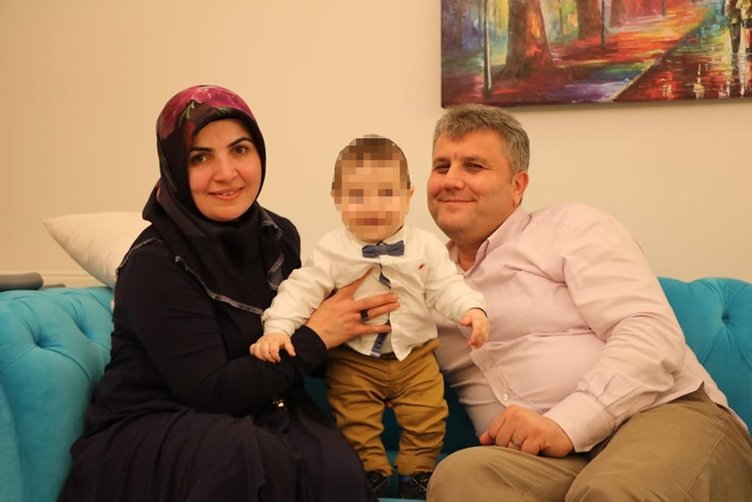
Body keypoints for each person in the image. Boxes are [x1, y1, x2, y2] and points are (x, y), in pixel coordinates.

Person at [58, 85, 400, 502]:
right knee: (247, 456)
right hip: (153, 427)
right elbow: (211, 390)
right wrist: (317, 336)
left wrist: (375, 360)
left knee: (334, 467)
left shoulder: (277, 236)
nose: (226, 173)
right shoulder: (156, 263)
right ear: (174, 167)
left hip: (258, 411)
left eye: (240, 150)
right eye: (200, 158)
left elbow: (298, 346)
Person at [425, 104, 752, 501]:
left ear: (517, 185)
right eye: (441, 167)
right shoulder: (421, 282)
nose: (451, 180)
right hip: (541, 458)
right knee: (461, 477)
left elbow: (651, 333)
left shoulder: (570, 228)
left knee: (612, 490)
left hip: (656, 415)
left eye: (474, 166)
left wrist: (566, 423)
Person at [250, 135, 489, 499]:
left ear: (408, 196)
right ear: (337, 198)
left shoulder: (424, 246)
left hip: (414, 356)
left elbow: (446, 286)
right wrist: (278, 329)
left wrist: (471, 309)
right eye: (358, 195)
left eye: (386, 194)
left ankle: (417, 473)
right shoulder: (332, 250)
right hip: (354, 358)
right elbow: (300, 290)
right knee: (354, 419)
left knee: (428, 416)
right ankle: (371, 472)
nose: (372, 206)